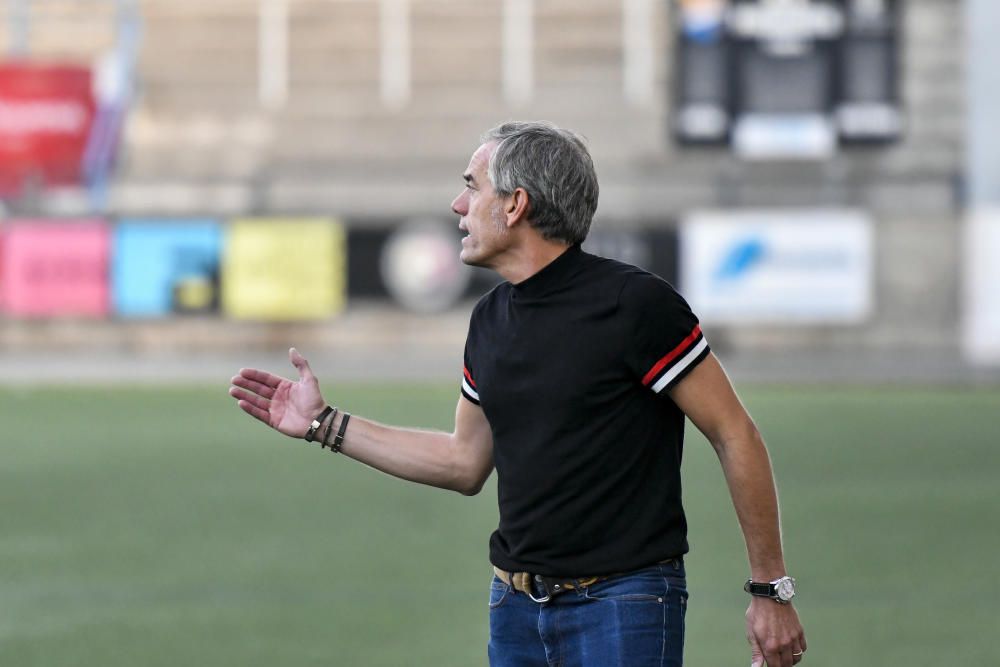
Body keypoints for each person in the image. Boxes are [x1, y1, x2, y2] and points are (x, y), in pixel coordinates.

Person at [229, 121, 806, 667]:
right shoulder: (489, 318)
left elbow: (735, 435)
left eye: (471, 188)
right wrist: (323, 423)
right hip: (513, 610)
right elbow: (463, 461)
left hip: (623, 606)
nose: (458, 206)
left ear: (515, 204)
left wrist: (770, 589)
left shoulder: (635, 306)